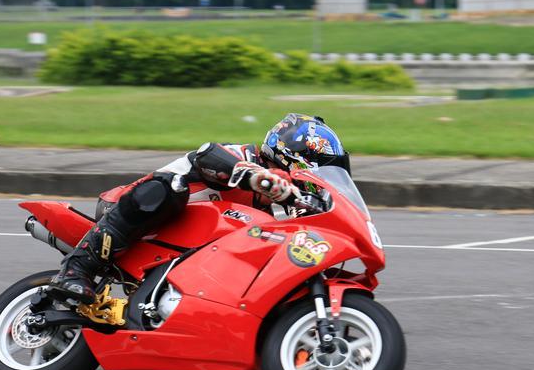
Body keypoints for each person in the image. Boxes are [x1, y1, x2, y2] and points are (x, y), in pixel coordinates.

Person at [48, 113, 351, 305]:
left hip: (175, 248)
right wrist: (257, 177)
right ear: (297, 155)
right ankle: (76, 269)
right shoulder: (243, 157)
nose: (320, 178)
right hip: (127, 210)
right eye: (320, 168)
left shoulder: (272, 207)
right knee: (170, 188)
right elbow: (206, 154)